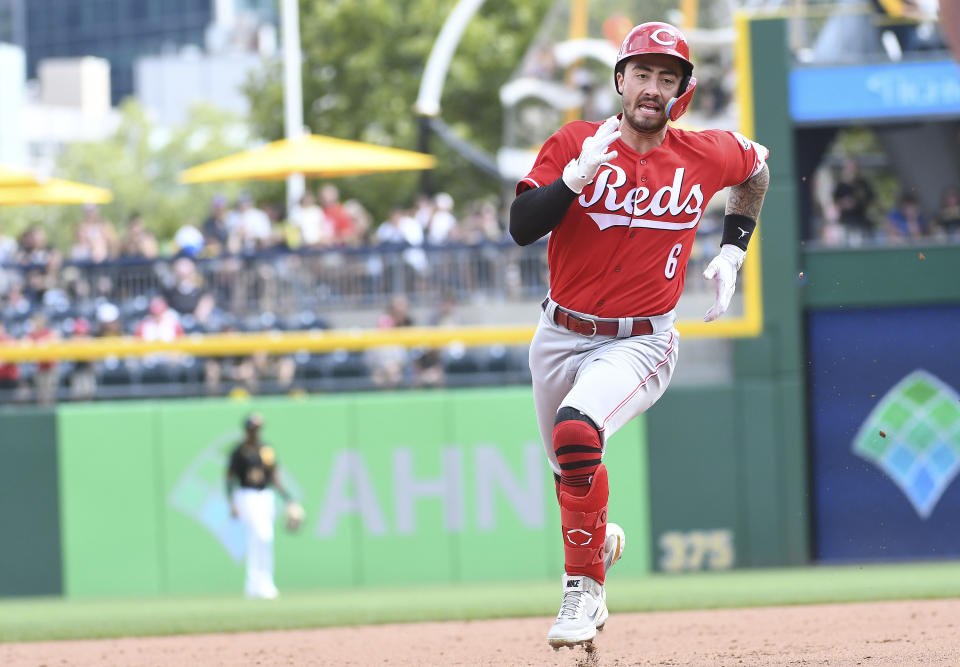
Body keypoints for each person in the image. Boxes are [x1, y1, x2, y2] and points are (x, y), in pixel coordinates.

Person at [508, 21, 770, 650]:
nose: (654, 87)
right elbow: (520, 225)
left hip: (642, 341)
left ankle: (582, 592)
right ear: (620, 79)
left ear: (682, 90)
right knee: (571, 472)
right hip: (559, 331)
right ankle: (601, 540)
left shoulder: (704, 152)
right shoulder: (575, 141)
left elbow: (757, 169)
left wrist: (734, 251)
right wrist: (572, 180)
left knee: (577, 432)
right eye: (644, 74)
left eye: (668, 77)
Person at [226, 413, 300, 599]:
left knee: (260, 539)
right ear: (247, 429)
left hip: (265, 495)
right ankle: (260, 584)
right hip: (246, 495)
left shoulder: (266, 449)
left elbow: (275, 476)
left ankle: (256, 584)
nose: (255, 432)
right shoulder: (239, 451)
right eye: (252, 428)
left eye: (257, 428)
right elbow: (229, 479)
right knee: (262, 535)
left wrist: (288, 499)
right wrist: (231, 502)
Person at [832, 156, 876, 243]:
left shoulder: (863, 184)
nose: (852, 168)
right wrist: (844, 203)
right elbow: (834, 203)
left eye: (854, 166)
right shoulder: (840, 185)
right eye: (849, 166)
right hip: (845, 223)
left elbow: (872, 200)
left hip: (861, 223)